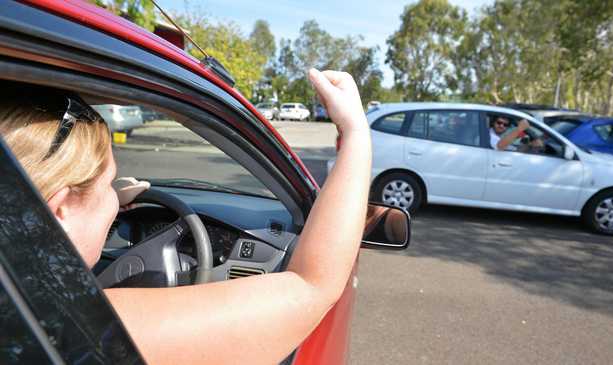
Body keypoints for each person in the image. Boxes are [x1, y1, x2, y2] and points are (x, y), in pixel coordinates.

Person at [0, 69, 371, 364]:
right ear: (59, 210)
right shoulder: (77, 328)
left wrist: (105, 197)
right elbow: (312, 285)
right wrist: (355, 134)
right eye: (108, 183)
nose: (114, 201)